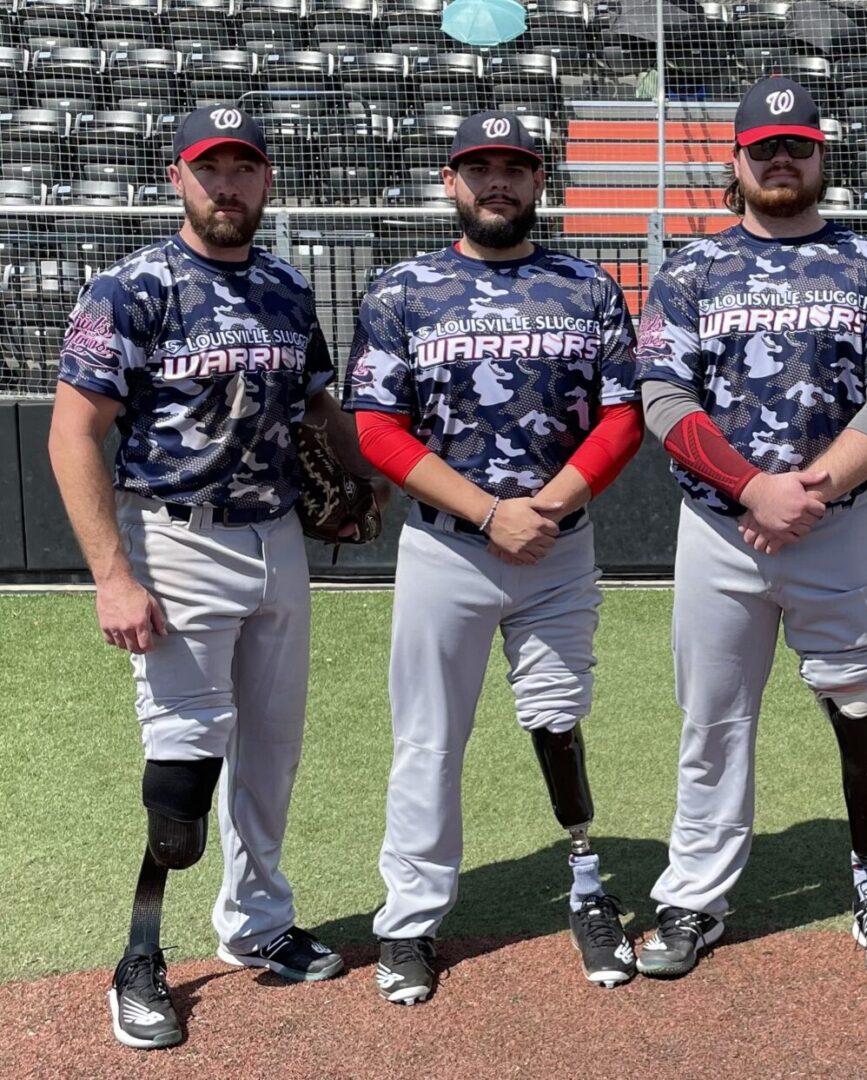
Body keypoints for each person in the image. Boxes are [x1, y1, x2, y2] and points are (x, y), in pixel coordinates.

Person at [47, 105, 378, 1050]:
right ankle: (140, 956)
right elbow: (73, 434)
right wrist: (113, 575)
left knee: (270, 756)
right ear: (175, 177)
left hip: (277, 540)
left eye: (243, 167)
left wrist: (369, 473)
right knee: (182, 777)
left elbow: (319, 406)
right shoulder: (131, 288)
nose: (226, 184)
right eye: (209, 168)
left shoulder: (283, 285)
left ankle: (257, 925)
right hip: (175, 537)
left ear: (267, 180)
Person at [632, 77, 867, 982]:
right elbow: (661, 395)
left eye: (797, 145)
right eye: (764, 147)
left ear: (821, 157)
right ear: (737, 161)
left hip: (830, 525)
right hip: (720, 529)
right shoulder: (690, 269)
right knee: (711, 721)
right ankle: (695, 894)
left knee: (854, 711)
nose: (781, 159)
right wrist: (754, 488)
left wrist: (807, 489)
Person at [345, 111, 644, 1002]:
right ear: (451, 181)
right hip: (447, 551)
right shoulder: (404, 290)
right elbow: (374, 426)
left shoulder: (589, 287)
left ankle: (588, 886)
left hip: (556, 544)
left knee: (558, 719)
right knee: (428, 740)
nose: (496, 181)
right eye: (479, 167)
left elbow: (622, 415)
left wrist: (546, 506)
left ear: (538, 182)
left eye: (513, 167)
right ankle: (408, 921)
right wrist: (488, 512)